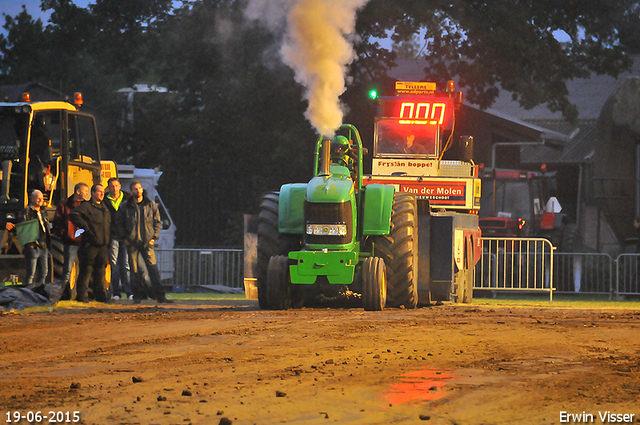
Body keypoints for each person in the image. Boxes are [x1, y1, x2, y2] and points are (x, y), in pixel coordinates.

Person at [117, 181, 172, 304]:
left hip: (147, 243)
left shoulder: (151, 205)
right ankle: (137, 297)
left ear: (142, 190)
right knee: (134, 271)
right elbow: (119, 224)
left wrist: (154, 237)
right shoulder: (125, 207)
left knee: (153, 270)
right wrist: (125, 238)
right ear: (131, 192)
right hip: (132, 243)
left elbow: (157, 222)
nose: (137, 191)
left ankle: (161, 297)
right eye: (135, 189)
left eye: (139, 188)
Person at [70, 184, 111, 303]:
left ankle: (100, 296)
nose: (102, 194)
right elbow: (74, 214)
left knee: (100, 271)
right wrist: (86, 228)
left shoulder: (105, 208)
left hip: (103, 245)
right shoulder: (87, 206)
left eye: (103, 192)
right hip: (90, 244)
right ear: (92, 193)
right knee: (86, 270)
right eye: (99, 192)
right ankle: (81, 296)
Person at [52, 182, 90, 297]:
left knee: (85, 269)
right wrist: (65, 235)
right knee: (67, 269)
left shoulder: (87, 206)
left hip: (85, 242)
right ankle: (64, 294)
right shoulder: (64, 205)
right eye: (85, 191)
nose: (87, 193)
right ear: (78, 192)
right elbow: (57, 222)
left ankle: (83, 294)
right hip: (70, 242)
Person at [104, 177, 131, 301]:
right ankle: (116, 293)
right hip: (112, 236)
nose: (114, 188)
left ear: (120, 186)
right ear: (108, 187)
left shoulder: (127, 199)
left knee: (126, 265)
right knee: (114, 265)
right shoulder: (104, 200)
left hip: (125, 237)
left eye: (116, 185)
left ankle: (130, 292)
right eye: (112, 186)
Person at [19, 190, 51, 287]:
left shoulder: (43, 212)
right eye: (38, 198)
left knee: (44, 272)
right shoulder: (27, 212)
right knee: (31, 274)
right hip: (33, 246)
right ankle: (27, 294)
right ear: (32, 199)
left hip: (43, 246)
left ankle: (39, 293)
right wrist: (30, 244)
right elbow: (23, 228)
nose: (41, 200)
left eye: (42, 198)